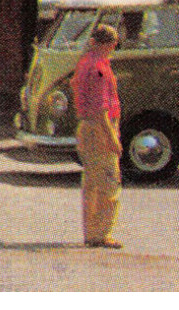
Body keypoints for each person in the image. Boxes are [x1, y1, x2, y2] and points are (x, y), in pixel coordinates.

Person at [71, 23, 123, 248]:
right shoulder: (100, 69)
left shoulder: (83, 64)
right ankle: (102, 233)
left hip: (85, 127)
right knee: (109, 181)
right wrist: (112, 138)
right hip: (100, 128)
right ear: (110, 44)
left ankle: (91, 231)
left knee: (91, 182)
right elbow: (101, 108)